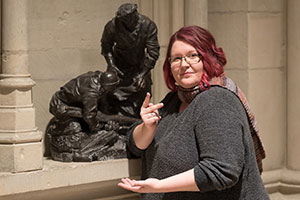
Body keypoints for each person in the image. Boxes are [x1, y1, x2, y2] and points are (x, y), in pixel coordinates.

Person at [118, 26, 270, 200]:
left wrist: (160, 185)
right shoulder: (173, 100)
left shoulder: (216, 100)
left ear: (208, 58)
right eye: (176, 58)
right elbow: (135, 145)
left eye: (192, 55)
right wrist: (147, 128)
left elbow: (222, 170)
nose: (184, 64)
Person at [100, 3, 160, 118]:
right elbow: (106, 47)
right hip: (118, 66)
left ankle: (138, 124)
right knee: (110, 93)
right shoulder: (112, 25)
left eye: (128, 18)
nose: (125, 22)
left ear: (135, 15)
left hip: (140, 67)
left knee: (141, 93)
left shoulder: (147, 25)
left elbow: (153, 53)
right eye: (123, 19)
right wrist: (112, 65)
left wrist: (143, 74)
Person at [49, 70, 120, 133]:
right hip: (60, 106)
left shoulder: (99, 77)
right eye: (113, 87)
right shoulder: (91, 92)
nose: (114, 89)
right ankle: (55, 129)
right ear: (107, 85)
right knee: (75, 128)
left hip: (76, 105)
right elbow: (89, 116)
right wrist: (96, 127)